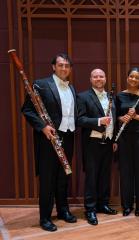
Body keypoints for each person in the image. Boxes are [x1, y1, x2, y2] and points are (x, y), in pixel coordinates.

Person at [21, 53, 77, 232]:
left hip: (68, 136)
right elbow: (28, 110)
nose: (64, 68)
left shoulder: (72, 88)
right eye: (60, 65)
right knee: (47, 179)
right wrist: (43, 127)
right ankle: (45, 217)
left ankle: (63, 211)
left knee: (63, 177)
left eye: (67, 66)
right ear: (53, 66)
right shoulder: (41, 84)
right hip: (49, 138)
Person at [77, 68, 118, 226]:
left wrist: (114, 139)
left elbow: (114, 119)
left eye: (101, 76)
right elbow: (80, 119)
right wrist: (98, 121)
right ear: (91, 79)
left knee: (104, 176)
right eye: (95, 76)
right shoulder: (83, 97)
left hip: (107, 141)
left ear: (105, 78)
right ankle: (90, 209)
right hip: (92, 143)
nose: (99, 79)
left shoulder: (111, 96)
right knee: (92, 177)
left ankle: (103, 204)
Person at [116, 67, 139, 217]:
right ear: (127, 77)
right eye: (131, 76)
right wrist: (122, 118)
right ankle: (126, 205)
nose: (133, 79)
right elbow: (115, 114)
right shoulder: (120, 96)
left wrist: (136, 116)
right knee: (125, 172)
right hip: (124, 137)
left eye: (137, 77)